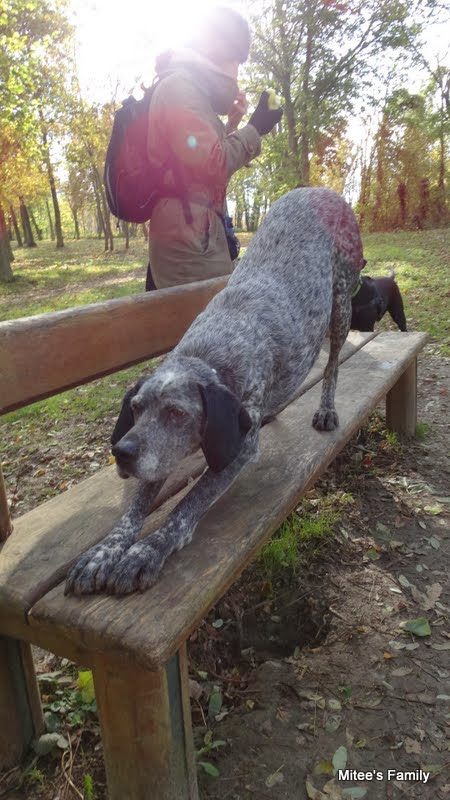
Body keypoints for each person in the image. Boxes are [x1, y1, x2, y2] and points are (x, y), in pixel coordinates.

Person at [145, 4, 282, 289]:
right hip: (188, 241)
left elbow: (198, 171)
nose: (237, 72)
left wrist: (231, 126)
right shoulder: (178, 88)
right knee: (206, 328)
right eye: (238, 61)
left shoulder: (191, 92)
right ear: (220, 49)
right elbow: (213, 164)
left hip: (197, 234)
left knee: (213, 325)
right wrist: (256, 128)